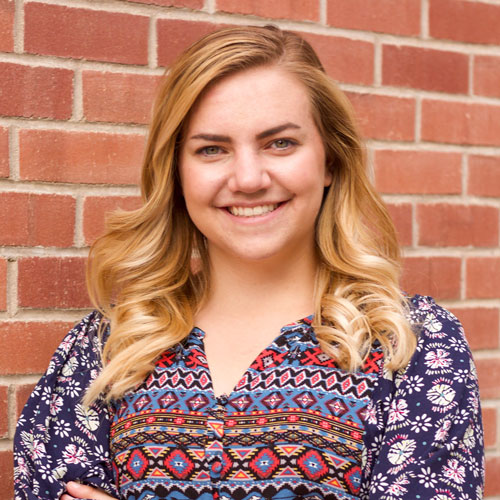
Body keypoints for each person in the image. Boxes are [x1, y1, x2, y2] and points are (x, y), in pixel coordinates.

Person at [14, 25, 484, 500]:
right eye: (212, 149)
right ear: (177, 174)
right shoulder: (107, 349)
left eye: (279, 143)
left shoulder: (411, 345)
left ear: (330, 161)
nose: (248, 178)